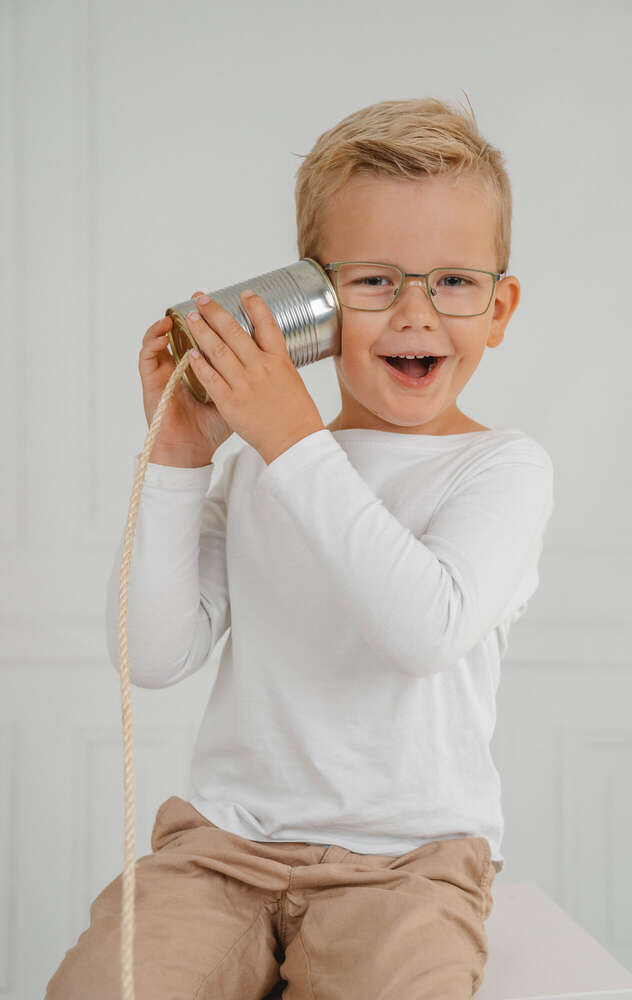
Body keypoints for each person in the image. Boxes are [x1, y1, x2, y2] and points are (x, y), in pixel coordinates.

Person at [45, 95, 554, 1000]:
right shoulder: (261, 466)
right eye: (373, 281)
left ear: (499, 307)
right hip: (224, 849)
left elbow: (423, 630)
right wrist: (179, 458)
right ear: (308, 303)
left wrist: (290, 438)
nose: (415, 313)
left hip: (407, 865)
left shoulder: (501, 468)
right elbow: (153, 656)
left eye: (453, 281)